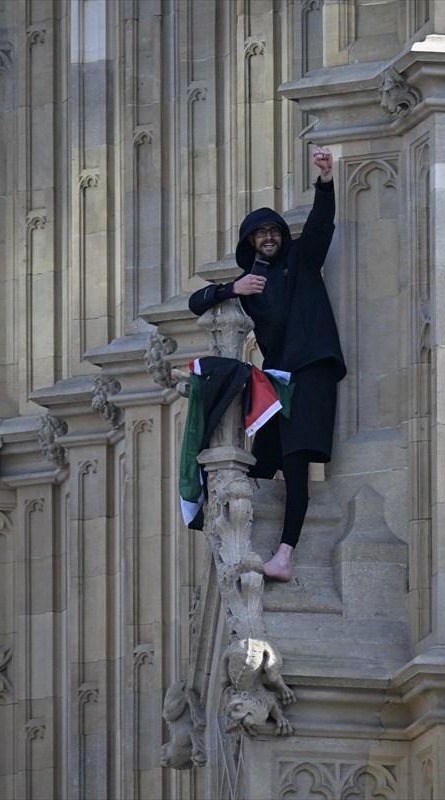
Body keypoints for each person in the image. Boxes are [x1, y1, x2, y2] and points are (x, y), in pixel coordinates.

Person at [187, 147, 346, 581]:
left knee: (295, 463)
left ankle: (286, 555)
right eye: (261, 234)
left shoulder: (301, 260)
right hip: (277, 381)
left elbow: (320, 225)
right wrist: (232, 289)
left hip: (312, 369)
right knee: (257, 463)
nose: (270, 238)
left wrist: (325, 181)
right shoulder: (250, 284)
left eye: (274, 231)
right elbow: (195, 301)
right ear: (250, 243)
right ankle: (241, 544)